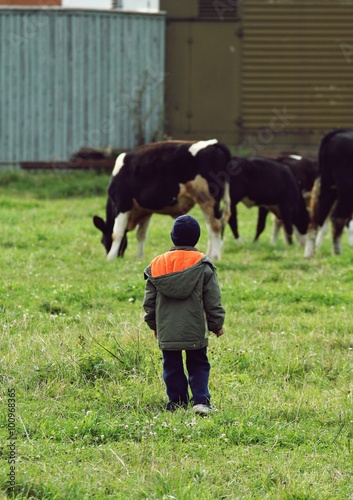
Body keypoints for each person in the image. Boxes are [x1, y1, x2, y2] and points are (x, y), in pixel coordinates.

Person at [143, 214, 225, 416]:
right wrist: (216, 325)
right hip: (194, 329)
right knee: (198, 364)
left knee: (171, 366)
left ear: (172, 237)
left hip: (167, 329)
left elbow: (149, 303)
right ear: (196, 238)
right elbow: (212, 300)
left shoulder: (157, 265)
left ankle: (176, 403)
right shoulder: (203, 264)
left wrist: (154, 325)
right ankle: (201, 402)